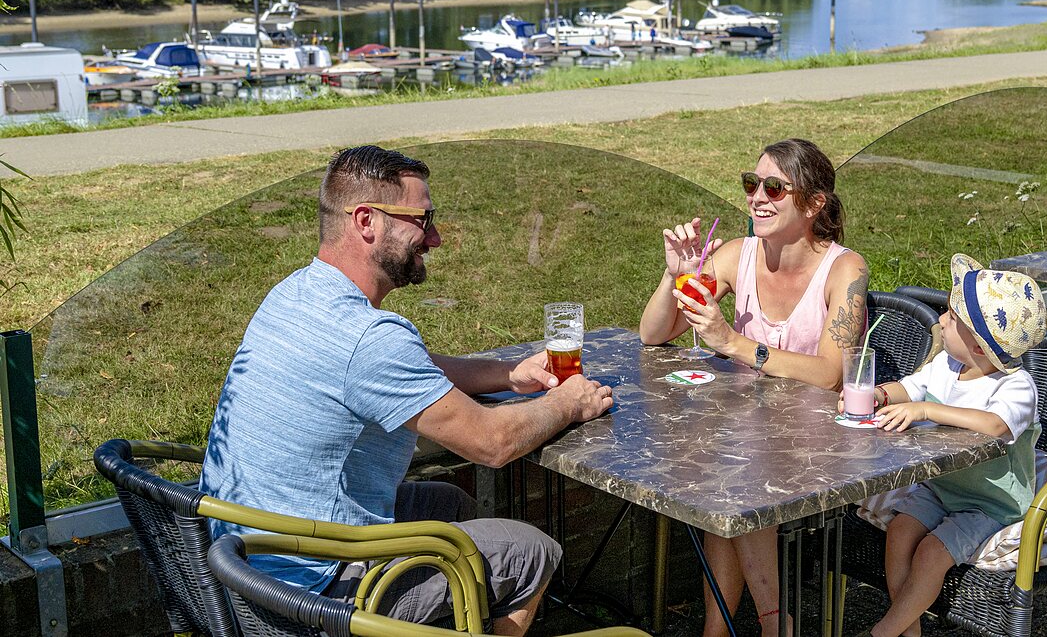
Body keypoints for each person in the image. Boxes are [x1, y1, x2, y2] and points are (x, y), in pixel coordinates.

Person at [199, 145, 613, 636]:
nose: (434, 238)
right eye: (424, 219)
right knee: (531, 550)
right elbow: (491, 443)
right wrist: (567, 401)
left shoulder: (296, 294)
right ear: (367, 221)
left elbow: (403, 371)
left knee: (448, 505)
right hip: (317, 596)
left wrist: (507, 375)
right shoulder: (370, 338)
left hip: (251, 569)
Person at [639, 137, 870, 637]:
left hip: (814, 438)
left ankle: (769, 622)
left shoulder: (844, 269)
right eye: (751, 184)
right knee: (722, 464)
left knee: (735, 471)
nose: (756, 197)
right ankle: (726, 627)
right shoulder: (736, 254)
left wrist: (733, 343)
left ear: (814, 203)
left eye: (773, 188)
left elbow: (831, 374)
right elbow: (654, 334)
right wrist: (673, 275)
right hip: (745, 424)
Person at [863, 254, 1046, 637]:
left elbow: (995, 425)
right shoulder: (946, 363)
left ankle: (883, 631)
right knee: (898, 533)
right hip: (942, 485)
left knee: (931, 554)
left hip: (991, 502)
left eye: (950, 316)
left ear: (979, 346)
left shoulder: (1014, 386)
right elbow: (910, 388)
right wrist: (880, 394)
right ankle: (906, 629)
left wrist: (929, 409)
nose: (941, 319)